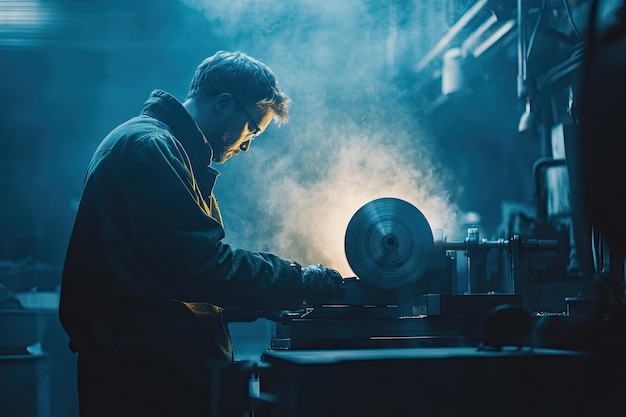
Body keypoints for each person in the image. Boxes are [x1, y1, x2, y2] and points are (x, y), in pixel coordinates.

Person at [58, 50, 345, 417]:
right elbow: (199, 267)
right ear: (224, 103)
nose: (247, 145)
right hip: (144, 385)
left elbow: (164, 278)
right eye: (251, 129)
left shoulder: (167, 152)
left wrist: (264, 301)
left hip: (153, 373)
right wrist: (295, 280)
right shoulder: (152, 148)